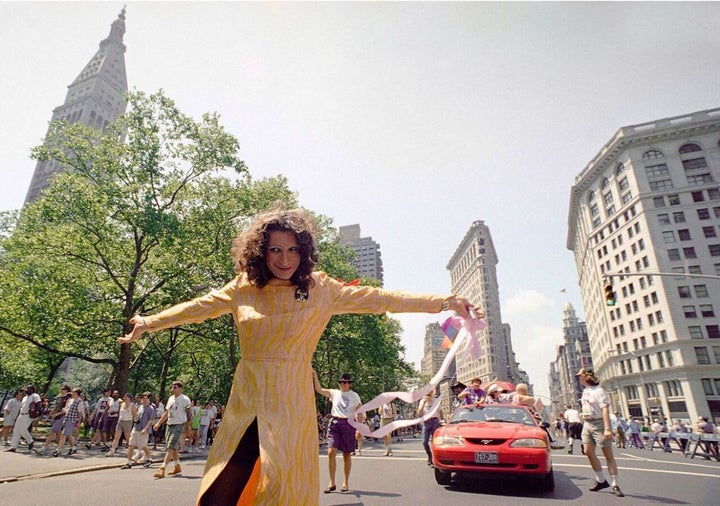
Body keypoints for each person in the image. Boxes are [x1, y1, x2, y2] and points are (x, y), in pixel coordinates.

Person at [119, 205, 477, 505]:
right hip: (247, 399)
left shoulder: (322, 289)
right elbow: (197, 307)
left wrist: (443, 302)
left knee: (281, 485)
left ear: (303, 251)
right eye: (275, 250)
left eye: (292, 250)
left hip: (290, 402)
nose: (284, 259)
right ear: (261, 251)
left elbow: (381, 299)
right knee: (222, 485)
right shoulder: (244, 287)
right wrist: (148, 322)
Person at [313, 371, 363, 494]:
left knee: (347, 455)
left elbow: (360, 412)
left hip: (348, 424)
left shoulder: (354, 396)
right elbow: (319, 389)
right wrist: (315, 376)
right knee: (331, 452)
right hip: (335, 423)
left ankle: (345, 482)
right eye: (341, 382)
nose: (343, 384)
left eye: (345, 382)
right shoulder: (334, 393)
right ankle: (332, 482)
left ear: (349, 384)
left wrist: (359, 428)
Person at [577, 368, 624, 497]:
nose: (578, 378)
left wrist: (608, 429)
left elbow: (605, 410)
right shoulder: (585, 391)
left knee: (607, 454)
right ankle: (601, 480)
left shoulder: (599, 391)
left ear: (587, 376)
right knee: (587, 451)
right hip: (587, 423)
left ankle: (615, 484)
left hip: (599, 423)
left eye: (580, 376)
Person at [152, 381, 191, 478]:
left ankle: (162, 468)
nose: (172, 389)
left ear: (180, 388)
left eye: (174, 387)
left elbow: (189, 414)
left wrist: (188, 427)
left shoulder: (185, 399)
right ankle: (177, 466)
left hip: (179, 424)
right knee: (172, 447)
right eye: (172, 387)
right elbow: (167, 412)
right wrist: (159, 423)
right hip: (170, 424)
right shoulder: (170, 399)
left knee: (170, 446)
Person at [121, 391, 156, 469]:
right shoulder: (140, 407)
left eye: (146, 398)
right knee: (131, 444)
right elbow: (136, 416)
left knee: (143, 446)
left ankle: (149, 459)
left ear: (149, 399)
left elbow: (150, 420)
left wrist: (145, 429)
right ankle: (129, 462)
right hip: (136, 428)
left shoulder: (150, 409)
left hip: (143, 430)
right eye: (143, 398)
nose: (144, 400)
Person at [7, 385, 41, 453]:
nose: (26, 390)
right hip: (21, 415)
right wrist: (17, 416)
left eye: (28, 388)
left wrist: (37, 413)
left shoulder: (35, 395)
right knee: (16, 430)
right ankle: (13, 447)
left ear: (32, 390)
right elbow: (22, 407)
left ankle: (30, 441)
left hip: (28, 415)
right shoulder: (25, 397)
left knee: (23, 430)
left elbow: (39, 404)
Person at [37, 385, 70, 455]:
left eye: (63, 389)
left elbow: (66, 410)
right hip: (56, 417)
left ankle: (43, 448)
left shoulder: (68, 399)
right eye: (61, 389)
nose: (61, 390)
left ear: (67, 390)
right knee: (58, 434)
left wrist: (57, 414)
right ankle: (59, 449)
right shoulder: (59, 398)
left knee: (52, 432)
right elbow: (54, 408)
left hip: (62, 417)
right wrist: (47, 417)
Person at [417, 390, 444, 466]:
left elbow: (440, 411)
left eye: (429, 394)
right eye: (427, 394)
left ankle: (434, 459)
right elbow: (419, 413)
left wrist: (442, 421)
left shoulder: (435, 400)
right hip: (426, 422)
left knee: (434, 441)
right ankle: (430, 456)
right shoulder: (422, 401)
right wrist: (423, 403)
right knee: (424, 442)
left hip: (434, 421)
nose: (428, 396)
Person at [54, 387, 82, 456]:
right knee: (68, 434)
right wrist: (58, 413)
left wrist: (78, 422)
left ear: (76, 393)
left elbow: (80, 413)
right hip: (66, 419)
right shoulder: (70, 400)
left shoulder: (79, 402)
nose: (71, 393)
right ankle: (73, 448)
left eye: (73, 392)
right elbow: (66, 409)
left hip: (71, 420)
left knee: (64, 435)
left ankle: (58, 450)